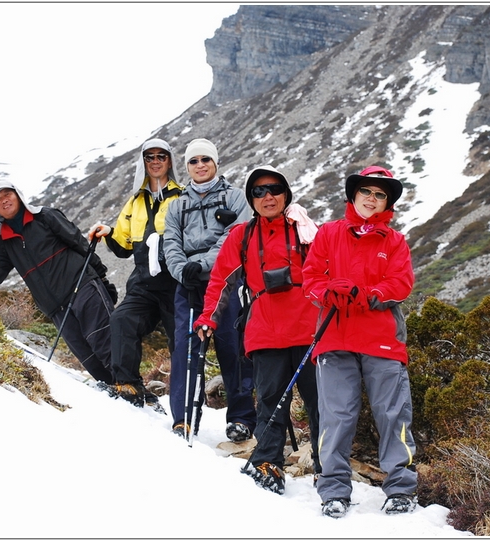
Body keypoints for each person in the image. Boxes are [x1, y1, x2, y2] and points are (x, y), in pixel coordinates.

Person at [195, 165, 322, 495]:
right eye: (258, 191)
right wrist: (208, 317)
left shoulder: (305, 230)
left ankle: (327, 467)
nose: (267, 196)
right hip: (265, 330)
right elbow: (220, 281)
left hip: (310, 330)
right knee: (269, 401)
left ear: (286, 193)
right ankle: (269, 461)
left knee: (321, 401)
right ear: (250, 198)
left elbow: (331, 268)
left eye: (275, 188)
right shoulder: (242, 235)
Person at [301, 165, 417, 518]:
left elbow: (402, 282)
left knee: (393, 414)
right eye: (366, 191)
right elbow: (311, 278)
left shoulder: (395, 241)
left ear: (387, 203)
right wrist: (328, 291)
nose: (372, 198)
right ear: (354, 195)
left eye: (380, 194)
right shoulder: (329, 233)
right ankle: (334, 489)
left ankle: (400, 489)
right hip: (334, 338)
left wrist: (370, 295)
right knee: (337, 416)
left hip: (382, 340)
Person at [0, 180, 118, 384]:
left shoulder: (45, 217)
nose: (4, 200)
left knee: (105, 341)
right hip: (56, 308)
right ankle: (118, 394)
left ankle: (133, 388)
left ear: (18, 196)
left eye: (7, 194)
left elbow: (79, 243)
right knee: (89, 358)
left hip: (82, 286)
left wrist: (101, 278)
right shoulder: (4, 243)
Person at [163, 138, 256, 440]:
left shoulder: (235, 198)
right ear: (187, 166)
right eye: (193, 161)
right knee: (185, 350)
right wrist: (181, 271)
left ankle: (241, 418)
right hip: (187, 286)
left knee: (233, 348)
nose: (200, 165)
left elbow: (235, 237)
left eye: (205, 159)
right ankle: (184, 417)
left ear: (216, 162)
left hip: (227, 282)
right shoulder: (177, 205)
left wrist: (201, 264)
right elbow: (171, 243)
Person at [88, 138, 182, 412]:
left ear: (170, 161)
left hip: (175, 283)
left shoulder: (183, 196)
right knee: (122, 319)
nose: (155, 161)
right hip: (143, 283)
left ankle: (183, 408)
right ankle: (128, 384)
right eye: (149, 157)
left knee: (180, 343)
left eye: (161, 156)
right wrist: (107, 233)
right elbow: (123, 247)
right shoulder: (134, 202)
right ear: (143, 163)